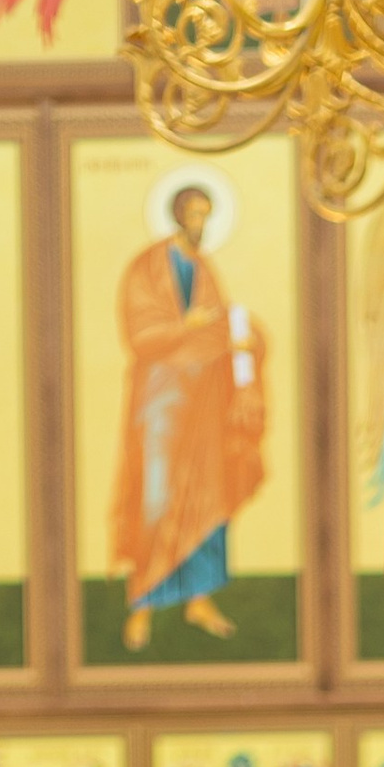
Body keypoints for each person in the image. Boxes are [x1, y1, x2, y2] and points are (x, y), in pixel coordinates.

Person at [111, 180, 268, 650]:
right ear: (178, 215)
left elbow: (221, 324)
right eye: (194, 214)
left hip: (203, 401)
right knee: (157, 499)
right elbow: (140, 333)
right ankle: (143, 602)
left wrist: (244, 339)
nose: (200, 224)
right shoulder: (147, 267)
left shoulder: (204, 268)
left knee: (205, 496)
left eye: (206, 215)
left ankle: (198, 598)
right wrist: (186, 326)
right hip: (161, 400)